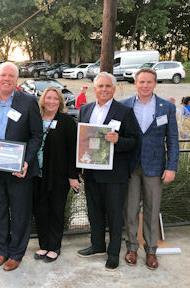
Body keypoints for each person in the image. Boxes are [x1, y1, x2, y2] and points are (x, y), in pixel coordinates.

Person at [0, 62, 42, 271]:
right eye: (2, 75)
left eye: (11, 76)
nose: (6, 79)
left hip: (19, 171)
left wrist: (26, 161)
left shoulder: (29, 102)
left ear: (16, 80)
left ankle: (16, 253)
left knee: (20, 212)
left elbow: (36, 135)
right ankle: (3, 250)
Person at [77, 72, 138, 271]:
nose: (104, 90)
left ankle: (113, 254)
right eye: (100, 86)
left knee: (113, 215)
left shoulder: (124, 111)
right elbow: (82, 140)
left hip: (114, 174)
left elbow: (135, 141)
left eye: (107, 86)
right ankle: (97, 245)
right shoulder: (85, 109)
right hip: (91, 172)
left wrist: (118, 140)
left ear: (114, 89)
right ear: (94, 89)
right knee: (94, 212)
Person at [122, 67, 179, 270]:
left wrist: (172, 167)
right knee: (129, 209)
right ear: (135, 83)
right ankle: (131, 248)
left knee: (152, 209)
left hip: (155, 167)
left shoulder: (167, 107)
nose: (145, 85)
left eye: (149, 82)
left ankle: (151, 251)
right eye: (141, 82)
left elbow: (172, 139)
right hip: (130, 166)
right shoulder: (125, 105)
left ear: (155, 84)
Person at [33, 87, 80, 263]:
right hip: (37, 175)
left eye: (55, 98)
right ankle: (44, 245)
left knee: (56, 210)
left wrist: (73, 175)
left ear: (60, 102)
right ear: (43, 100)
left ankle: (54, 246)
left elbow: (72, 150)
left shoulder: (67, 121)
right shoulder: (36, 119)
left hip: (58, 176)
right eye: (48, 98)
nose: (51, 101)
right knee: (40, 210)